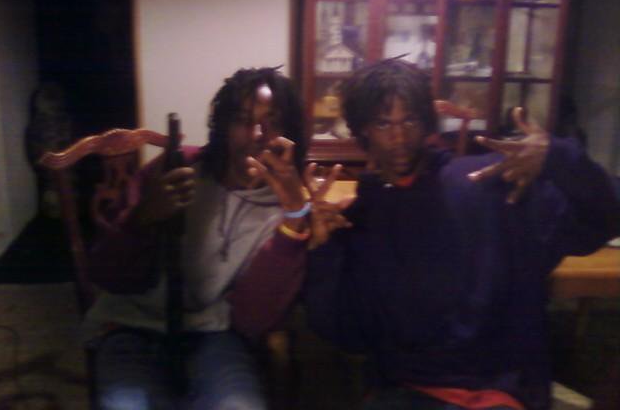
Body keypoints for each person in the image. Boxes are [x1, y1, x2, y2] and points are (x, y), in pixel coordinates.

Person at [304, 59, 620, 410]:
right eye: (383, 123)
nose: (399, 137)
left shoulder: (487, 183)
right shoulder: (362, 217)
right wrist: (324, 249)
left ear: (427, 122)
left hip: (498, 390)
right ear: (362, 130)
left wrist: (558, 158)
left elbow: (602, 220)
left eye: (410, 120)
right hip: (403, 389)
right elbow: (347, 334)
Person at [84, 67, 313, 410]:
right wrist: (142, 217)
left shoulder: (290, 203)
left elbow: (252, 319)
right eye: (242, 120)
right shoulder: (178, 169)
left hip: (217, 335)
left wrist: (294, 220)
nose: (257, 135)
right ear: (223, 126)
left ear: (289, 132)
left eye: (273, 122)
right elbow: (105, 273)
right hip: (131, 325)